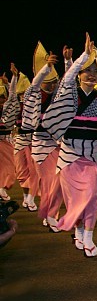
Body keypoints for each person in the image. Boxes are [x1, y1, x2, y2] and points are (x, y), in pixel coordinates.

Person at [42, 32, 97, 256]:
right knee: (75, 200)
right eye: (88, 70)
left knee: (93, 196)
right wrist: (83, 57)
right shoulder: (69, 95)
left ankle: (88, 236)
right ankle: (78, 231)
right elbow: (66, 79)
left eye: (96, 72)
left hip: (94, 156)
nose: (92, 75)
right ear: (80, 74)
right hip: (69, 157)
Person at [22, 43, 65, 230]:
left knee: (60, 182)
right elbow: (34, 85)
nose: (52, 85)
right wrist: (46, 67)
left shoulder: (58, 97)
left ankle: (50, 213)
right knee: (51, 182)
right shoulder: (34, 95)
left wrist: (68, 61)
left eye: (55, 81)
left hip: (58, 146)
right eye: (49, 81)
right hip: (40, 147)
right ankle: (51, 214)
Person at [3, 67, 39, 212]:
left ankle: (31, 198)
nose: (23, 95)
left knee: (35, 172)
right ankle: (26, 198)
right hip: (20, 141)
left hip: (34, 141)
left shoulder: (36, 105)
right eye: (21, 94)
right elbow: (10, 96)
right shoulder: (16, 106)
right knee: (22, 171)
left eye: (25, 93)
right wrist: (13, 79)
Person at [0, 81, 14, 201]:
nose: (1, 101)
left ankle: (2, 188)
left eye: (2, 98)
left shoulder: (7, 109)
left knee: (9, 168)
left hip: (6, 140)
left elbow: (12, 98)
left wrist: (10, 83)